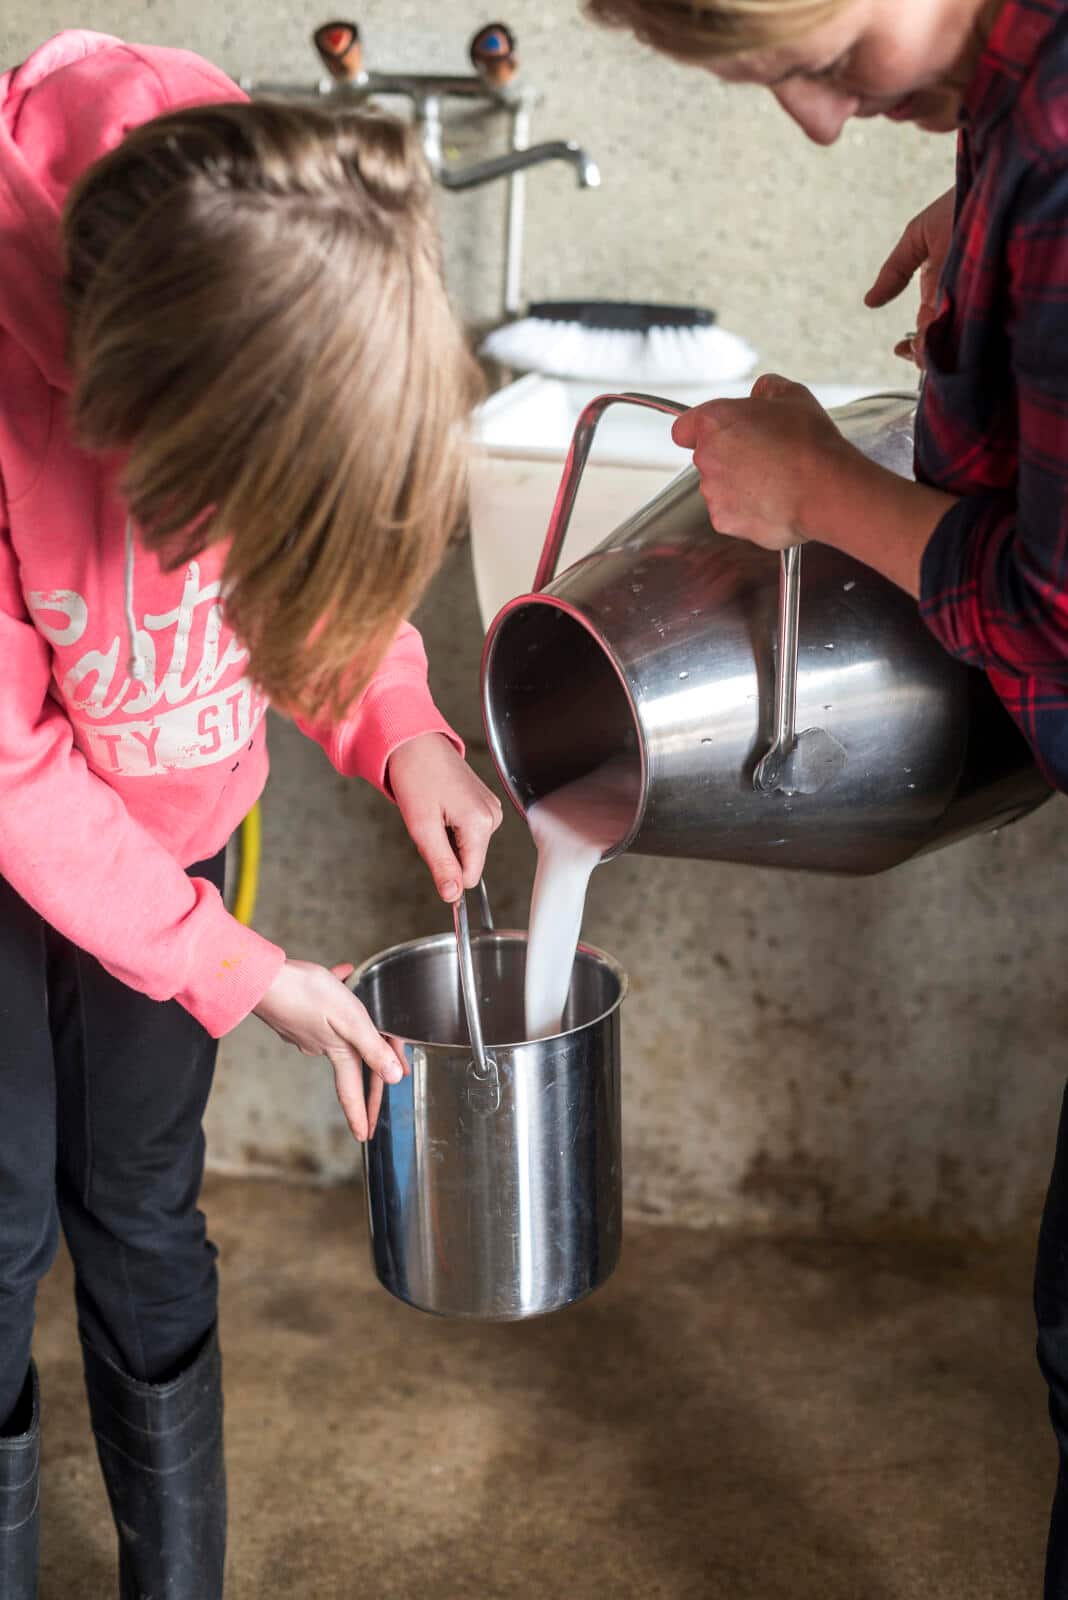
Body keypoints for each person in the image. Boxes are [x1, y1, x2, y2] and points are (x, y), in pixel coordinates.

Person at [0, 28, 503, 1598]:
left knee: (141, 1205)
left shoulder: (283, 269)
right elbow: (13, 776)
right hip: (13, 855)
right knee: (0, 1220)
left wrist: (402, 729)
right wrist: (240, 968)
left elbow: (321, 582)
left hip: (184, 850)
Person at [586, 0, 1068, 1592]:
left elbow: (1060, 619)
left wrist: (820, 493)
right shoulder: (1029, 114)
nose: (816, 119)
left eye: (817, 60)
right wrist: (1002, 231)